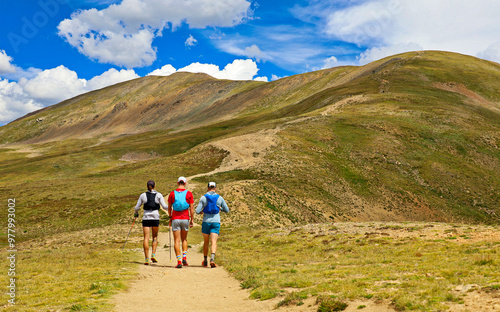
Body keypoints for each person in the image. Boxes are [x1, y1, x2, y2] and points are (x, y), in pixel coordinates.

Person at [134, 180, 169, 265]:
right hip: (155, 217)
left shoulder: (143, 195)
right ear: (154, 186)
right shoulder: (159, 195)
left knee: (146, 238)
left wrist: (136, 213)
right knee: (155, 237)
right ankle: (153, 254)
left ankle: (146, 258)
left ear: (147, 186)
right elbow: (164, 207)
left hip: (146, 217)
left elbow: (137, 207)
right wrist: (171, 207)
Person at [196, 182, 229, 268]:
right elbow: (227, 210)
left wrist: (202, 211)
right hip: (216, 221)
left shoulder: (203, 198)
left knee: (206, 242)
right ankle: (212, 259)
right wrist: (220, 209)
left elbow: (197, 210)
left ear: (207, 188)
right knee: (214, 241)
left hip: (206, 221)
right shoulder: (220, 198)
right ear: (215, 188)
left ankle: (205, 260)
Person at [168, 177, 194, 268]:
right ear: (185, 183)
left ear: (177, 183)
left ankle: (179, 261)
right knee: (184, 239)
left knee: (176, 241)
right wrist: (192, 219)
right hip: (185, 218)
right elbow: (191, 208)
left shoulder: (172, 193)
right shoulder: (189, 193)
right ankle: (184, 257)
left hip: (175, 218)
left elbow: (169, 207)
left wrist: (170, 217)